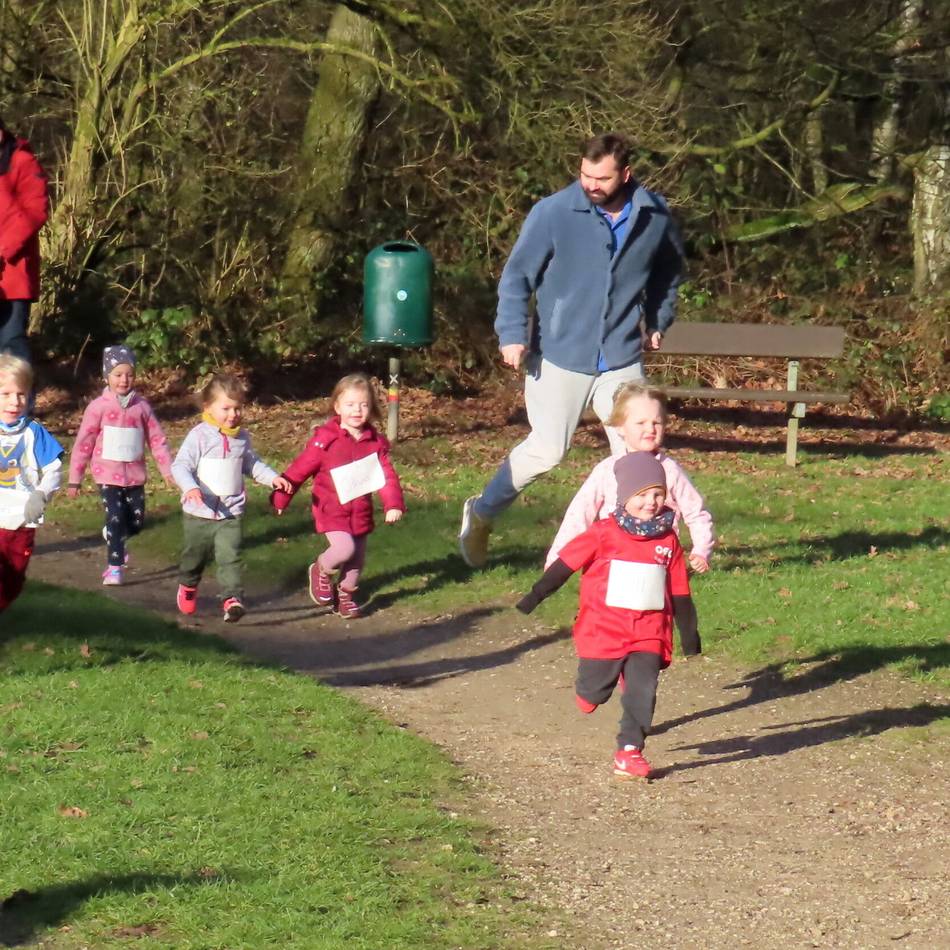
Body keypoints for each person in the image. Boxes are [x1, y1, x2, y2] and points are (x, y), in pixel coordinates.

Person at [459, 131, 684, 568]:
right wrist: (511, 333)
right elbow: (517, 275)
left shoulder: (655, 215)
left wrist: (658, 319)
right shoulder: (554, 212)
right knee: (547, 451)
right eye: (585, 174)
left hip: (620, 356)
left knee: (637, 452)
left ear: (626, 174)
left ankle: (631, 550)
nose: (591, 184)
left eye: (602, 178)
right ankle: (482, 513)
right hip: (559, 353)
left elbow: (668, 273)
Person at [517, 451, 700, 779]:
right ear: (625, 496)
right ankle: (591, 690)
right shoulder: (604, 533)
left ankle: (629, 751)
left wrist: (690, 635)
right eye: (642, 495)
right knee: (594, 692)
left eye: (658, 494)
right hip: (603, 630)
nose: (651, 502)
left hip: (648, 631)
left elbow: (679, 589)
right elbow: (566, 564)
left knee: (644, 689)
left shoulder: (668, 540)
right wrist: (535, 596)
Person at [270, 373, 405, 619]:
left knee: (356, 560)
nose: (357, 410)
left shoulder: (375, 443)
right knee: (344, 549)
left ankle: (345, 596)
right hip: (330, 508)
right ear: (337, 407)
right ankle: (321, 569)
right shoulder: (326, 440)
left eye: (363, 405)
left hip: (360, 510)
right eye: (350, 404)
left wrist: (393, 504)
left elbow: (387, 477)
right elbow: (300, 469)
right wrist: (281, 496)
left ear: (371, 408)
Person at [546, 382, 714, 573]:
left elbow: (696, 512)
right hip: (611, 563)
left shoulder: (669, 470)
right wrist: (557, 559)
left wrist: (701, 549)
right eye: (641, 423)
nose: (650, 429)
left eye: (656, 422)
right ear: (620, 427)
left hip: (658, 562)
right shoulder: (607, 470)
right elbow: (579, 513)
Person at [171, 373, 292, 623]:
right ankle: (188, 585)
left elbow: (252, 464)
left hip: (231, 512)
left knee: (230, 557)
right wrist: (190, 487)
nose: (233, 414)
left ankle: (232, 599)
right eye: (226, 408)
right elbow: (180, 466)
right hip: (199, 512)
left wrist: (272, 479)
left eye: (238, 408)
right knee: (195, 557)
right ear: (208, 407)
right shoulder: (200, 436)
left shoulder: (242, 438)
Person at [66, 345, 175, 585]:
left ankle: (113, 536)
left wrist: (168, 470)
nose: (124, 380)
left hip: (135, 476)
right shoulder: (98, 408)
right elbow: (84, 443)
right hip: (107, 474)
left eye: (129, 374)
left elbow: (157, 440)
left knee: (135, 523)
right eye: (117, 374)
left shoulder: (142, 408)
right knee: (114, 517)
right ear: (107, 377)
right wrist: (75, 477)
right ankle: (114, 568)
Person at [0, 355, 63, 613]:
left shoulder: (34, 433)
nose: (15, 402)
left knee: (12, 582)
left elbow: (54, 470)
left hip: (22, 521)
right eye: (6, 394)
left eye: (21, 395)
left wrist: (41, 494)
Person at [0, 116, 50, 364]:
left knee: (11, 343)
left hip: (13, 273)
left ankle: (20, 404)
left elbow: (36, 209)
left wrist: (3, 248)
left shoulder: (22, 160)